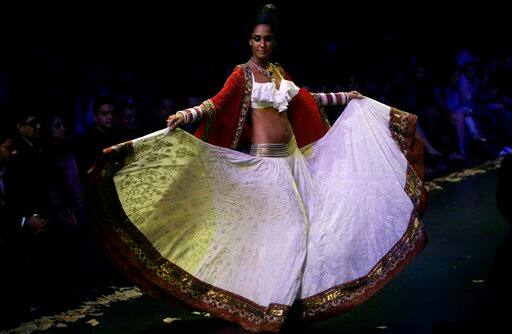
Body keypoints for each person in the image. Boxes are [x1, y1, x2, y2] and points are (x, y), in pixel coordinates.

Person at [89, 4, 427, 332]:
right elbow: (215, 104)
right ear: (248, 41)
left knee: (311, 228)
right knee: (291, 229)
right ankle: (273, 304)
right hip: (269, 168)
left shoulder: (278, 72)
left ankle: (291, 300)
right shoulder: (242, 74)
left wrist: (345, 97)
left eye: (267, 39)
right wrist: (185, 115)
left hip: (295, 163)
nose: (261, 44)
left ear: (274, 41)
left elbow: (308, 99)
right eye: (256, 39)